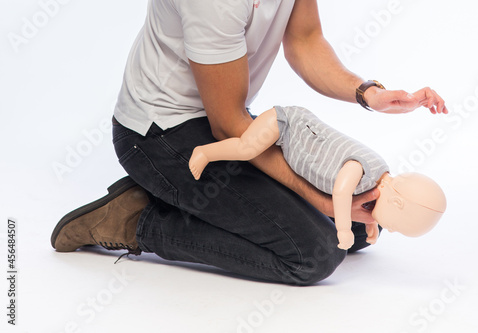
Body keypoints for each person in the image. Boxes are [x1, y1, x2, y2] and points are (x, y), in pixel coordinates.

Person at [50, 0, 447, 285]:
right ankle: (138, 221)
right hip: (160, 134)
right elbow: (227, 125)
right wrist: (319, 199)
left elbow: (306, 40)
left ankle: (185, 195)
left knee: (359, 225)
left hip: (228, 121)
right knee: (316, 254)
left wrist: (367, 93)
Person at [188, 105, 447, 250]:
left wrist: (370, 225)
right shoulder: (367, 171)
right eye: (396, 226)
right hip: (287, 124)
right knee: (247, 148)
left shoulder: (379, 182)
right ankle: (205, 152)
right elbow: (342, 191)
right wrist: (344, 229)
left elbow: (372, 206)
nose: (390, 228)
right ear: (398, 202)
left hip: (297, 137)